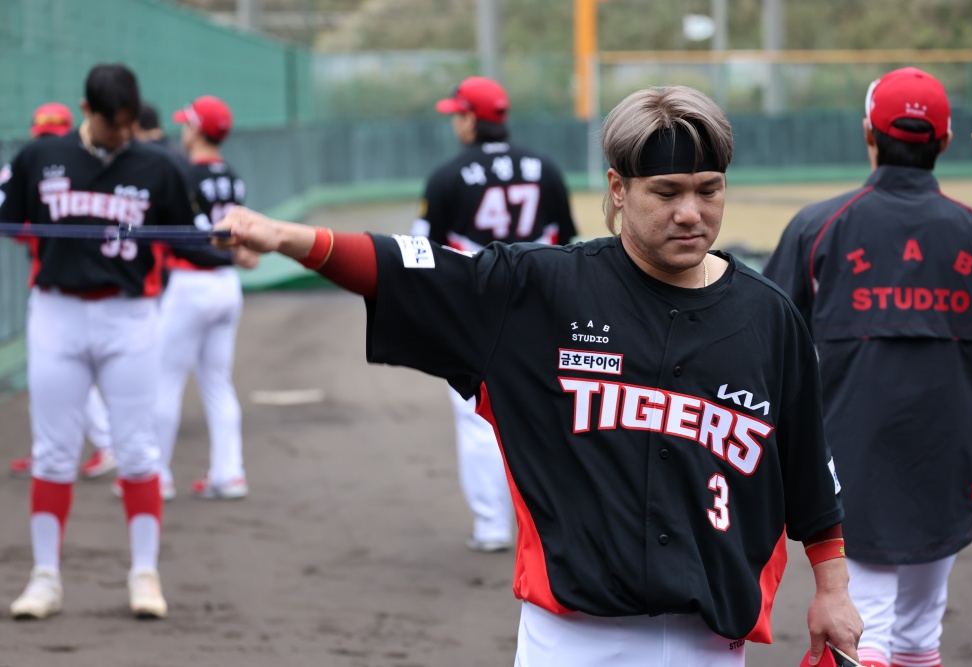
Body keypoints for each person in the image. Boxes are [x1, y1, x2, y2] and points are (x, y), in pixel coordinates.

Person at [212, 84, 863, 666]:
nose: (691, 211)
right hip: (573, 639)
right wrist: (287, 238)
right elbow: (407, 267)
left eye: (708, 189)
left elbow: (809, 471)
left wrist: (832, 592)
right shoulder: (541, 290)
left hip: (711, 643)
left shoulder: (768, 316)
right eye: (667, 192)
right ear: (618, 190)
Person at [763, 67, 972, 667]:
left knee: (863, 627)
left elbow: (765, 342)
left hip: (850, 453)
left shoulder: (819, 226)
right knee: (919, 629)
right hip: (955, 453)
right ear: (946, 141)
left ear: (868, 133)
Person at [0, 63, 201, 620]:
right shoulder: (41, 156)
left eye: (130, 123)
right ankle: (44, 578)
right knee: (53, 452)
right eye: (114, 124)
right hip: (56, 311)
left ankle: (145, 574)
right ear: (86, 111)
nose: (123, 134)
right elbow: (9, 218)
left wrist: (231, 250)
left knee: (136, 449)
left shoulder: (158, 164)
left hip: (129, 315)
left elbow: (188, 236)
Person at [411, 76, 578, 552]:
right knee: (542, 416)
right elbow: (565, 241)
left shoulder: (448, 175)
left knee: (476, 419)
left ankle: (491, 526)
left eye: (457, 115)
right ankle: (549, 525)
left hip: (472, 309)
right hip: (536, 305)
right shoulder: (545, 167)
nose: (454, 124)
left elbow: (422, 251)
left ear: (471, 120)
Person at [151, 94, 256, 499]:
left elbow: (188, 239)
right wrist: (235, 254)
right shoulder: (232, 175)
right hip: (226, 284)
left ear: (196, 130)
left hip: (191, 284)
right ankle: (229, 474)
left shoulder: (183, 174)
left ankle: (155, 477)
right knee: (217, 383)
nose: (183, 128)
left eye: (187, 123)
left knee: (165, 380)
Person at [8, 103, 117, 481]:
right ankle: (56, 447)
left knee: (66, 372)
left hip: (72, 290)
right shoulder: (42, 163)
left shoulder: (74, 166)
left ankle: (104, 442)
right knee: (55, 375)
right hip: (59, 284)